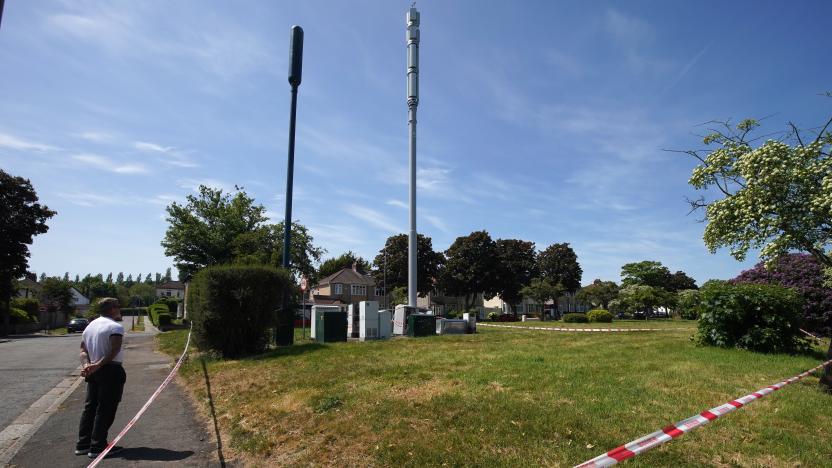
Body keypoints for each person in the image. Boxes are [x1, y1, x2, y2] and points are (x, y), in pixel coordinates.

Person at [75, 297, 126, 459]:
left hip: (93, 372)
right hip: (110, 370)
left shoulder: (90, 326)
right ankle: (98, 446)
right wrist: (98, 364)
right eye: (118, 306)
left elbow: (83, 350)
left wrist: (86, 365)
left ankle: (83, 443)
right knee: (106, 408)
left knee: (90, 407)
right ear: (112, 309)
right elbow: (114, 350)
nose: (119, 309)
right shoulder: (115, 327)